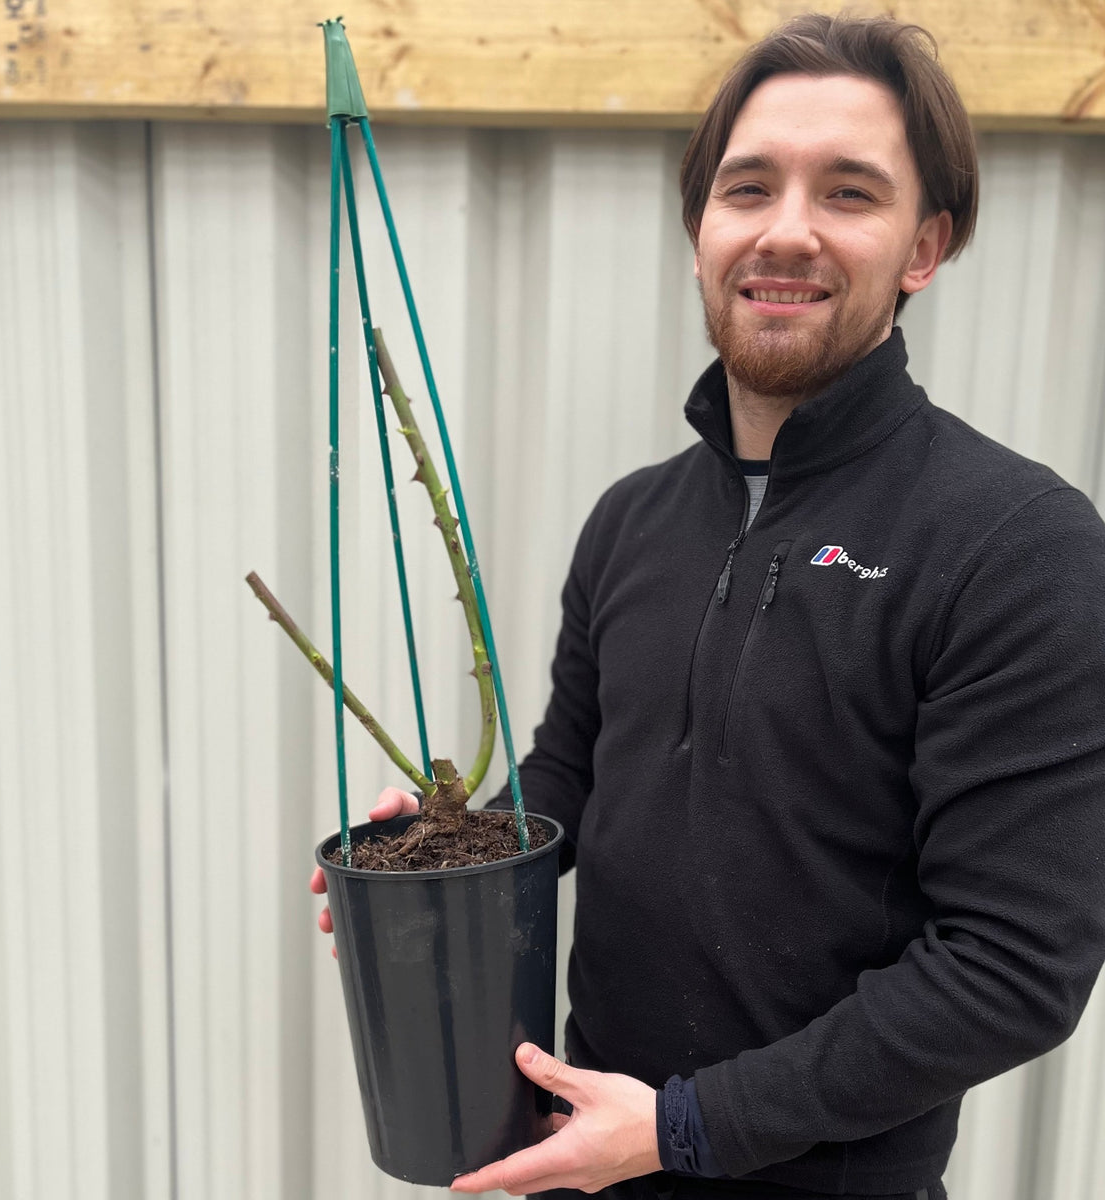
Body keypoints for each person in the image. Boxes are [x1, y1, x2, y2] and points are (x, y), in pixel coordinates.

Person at [311, 13, 1105, 1199]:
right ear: (700, 231)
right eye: (749, 187)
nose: (786, 230)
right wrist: (452, 847)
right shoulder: (631, 522)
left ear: (924, 245)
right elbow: (569, 786)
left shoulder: (1017, 543)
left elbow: (1012, 964)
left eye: (848, 193)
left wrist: (687, 1128)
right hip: (597, 1162)